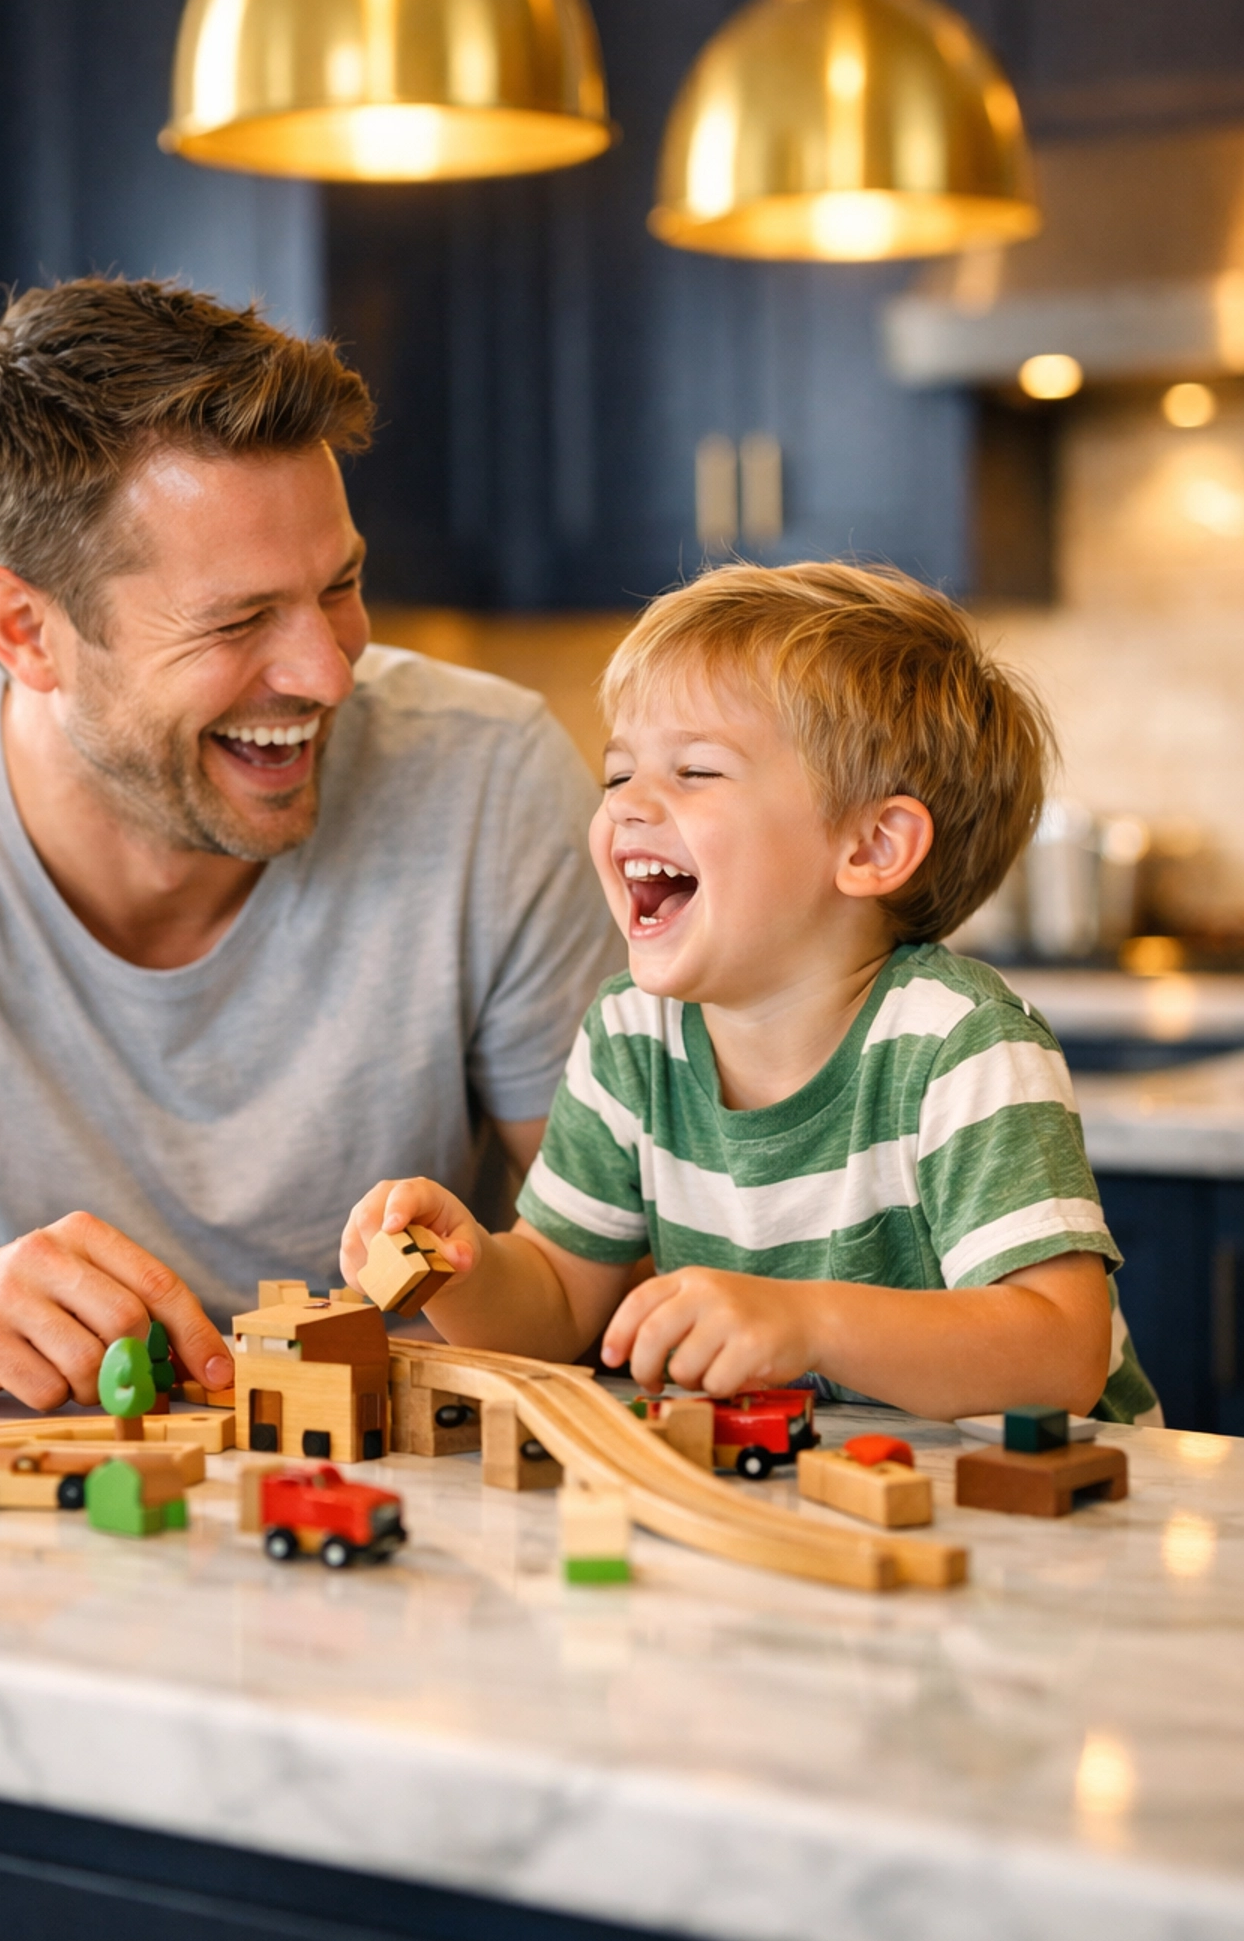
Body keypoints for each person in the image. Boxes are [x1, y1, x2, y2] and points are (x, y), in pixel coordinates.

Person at [0, 280, 617, 1410]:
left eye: (341, 587)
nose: (328, 673)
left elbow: (621, 1245)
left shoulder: (490, 778)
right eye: (238, 621)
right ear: (25, 630)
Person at [342, 561, 1161, 1424]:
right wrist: (461, 1265)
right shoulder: (633, 1039)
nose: (625, 805)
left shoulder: (961, 1044)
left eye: (695, 772)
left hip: (1057, 1520)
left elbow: (1058, 1354)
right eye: (619, 774)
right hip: (831, 1510)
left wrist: (810, 1322)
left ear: (873, 846)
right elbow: (554, 1303)